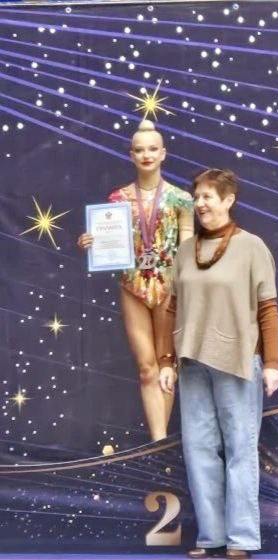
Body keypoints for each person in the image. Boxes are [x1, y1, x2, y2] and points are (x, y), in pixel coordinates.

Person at [157, 169, 278, 559]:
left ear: (229, 200)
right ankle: (211, 537)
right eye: (197, 197)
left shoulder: (252, 247)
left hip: (237, 362)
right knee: (198, 450)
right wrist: (166, 361)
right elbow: (171, 308)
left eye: (208, 196)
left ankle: (241, 539)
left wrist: (272, 363)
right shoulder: (185, 251)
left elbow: (268, 309)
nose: (200, 204)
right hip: (192, 363)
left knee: (240, 449)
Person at [77, 119, 193, 441]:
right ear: (131, 155)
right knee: (146, 369)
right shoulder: (118, 198)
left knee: (167, 366)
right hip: (132, 286)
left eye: (153, 149)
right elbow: (110, 241)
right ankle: (158, 441)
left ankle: (160, 444)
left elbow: (186, 246)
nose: (146, 155)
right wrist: (92, 241)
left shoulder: (181, 199)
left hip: (168, 287)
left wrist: (182, 283)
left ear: (163, 153)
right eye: (140, 150)